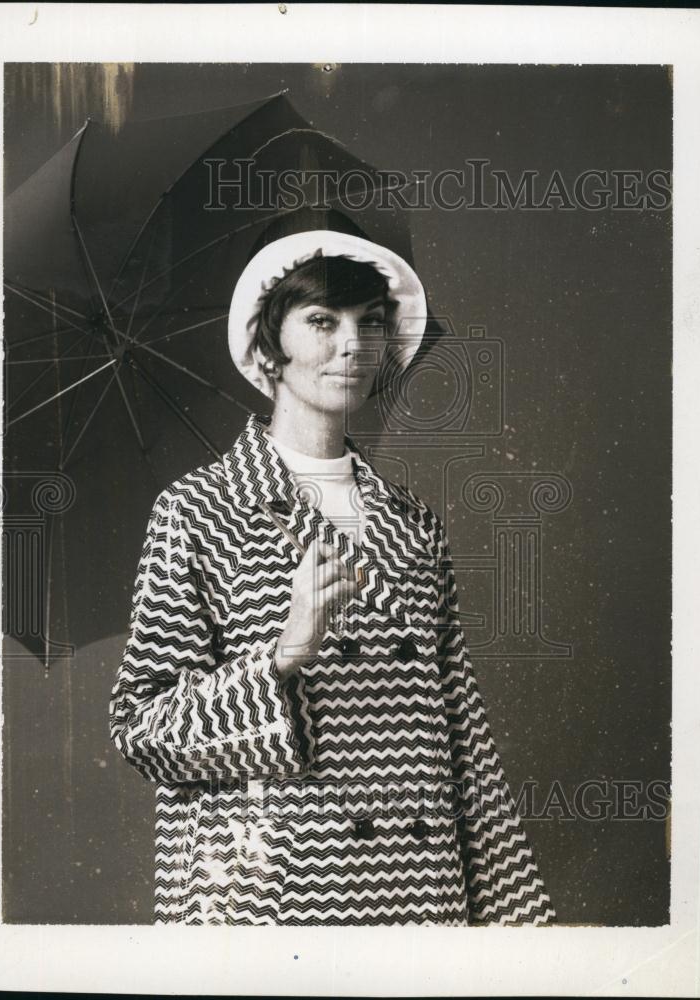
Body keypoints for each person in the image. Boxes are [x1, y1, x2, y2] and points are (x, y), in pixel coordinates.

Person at [109, 207, 556, 926]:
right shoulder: (197, 511)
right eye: (322, 321)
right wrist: (280, 658)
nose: (352, 343)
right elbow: (142, 728)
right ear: (267, 349)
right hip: (269, 898)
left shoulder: (412, 526)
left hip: (420, 890)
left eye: (371, 321)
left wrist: (512, 923)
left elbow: (462, 737)